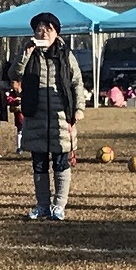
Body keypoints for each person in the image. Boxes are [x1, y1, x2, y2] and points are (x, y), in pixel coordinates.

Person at [13, 12, 86, 221]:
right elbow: (14, 74)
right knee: (39, 164)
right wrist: (25, 53)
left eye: (48, 29)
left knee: (61, 162)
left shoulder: (65, 55)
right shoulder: (29, 53)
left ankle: (59, 205)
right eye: (39, 29)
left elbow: (76, 82)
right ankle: (43, 205)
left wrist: (79, 108)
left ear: (56, 33)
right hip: (35, 115)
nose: (43, 32)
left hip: (61, 116)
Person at [6, 74, 25, 155]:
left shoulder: (25, 92)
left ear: (19, 83)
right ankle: (19, 147)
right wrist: (15, 101)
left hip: (26, 116)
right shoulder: (12, 93)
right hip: (19, 116)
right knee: (19, 131)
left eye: (13, 82)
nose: (11, 84)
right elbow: (9, 100)